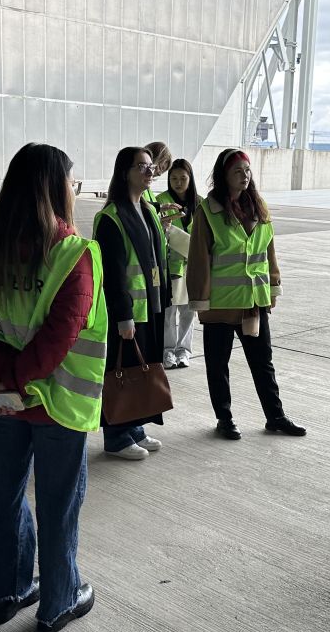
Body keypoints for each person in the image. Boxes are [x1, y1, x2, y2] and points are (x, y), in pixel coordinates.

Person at [0, 143, 104, 632]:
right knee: (59, 501)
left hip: (2, 401)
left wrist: (4, 376)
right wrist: (22, 378)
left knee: (3, 492)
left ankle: (6, 590)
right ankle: (59, 600)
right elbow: (60, 338)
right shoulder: (73, 255)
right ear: (57, 188)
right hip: (57, 403)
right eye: (71, 181)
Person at [188, 148, 305, 441]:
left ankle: (275, 416)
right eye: (238, 171)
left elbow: (269, 253)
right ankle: (224, 419)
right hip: (220, 305)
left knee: (263, 361)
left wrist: (273, 288)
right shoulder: (209, 211)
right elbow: (200, 258)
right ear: (224, 175)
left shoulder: (259, 207)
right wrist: (200, 302)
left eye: (247, 171)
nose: (244, 176)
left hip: (254, 302)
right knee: (218, 365)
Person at [92, 146, 169, 460]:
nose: (149, 172)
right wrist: (123, 315)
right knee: (121, 371)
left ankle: (135, 427)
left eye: (151, 166)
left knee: (143, 366)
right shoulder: (110, 217)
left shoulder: (148, 210)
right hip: (129, 311)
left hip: (150, 306)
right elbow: (112, 273)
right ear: (124, 172)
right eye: (141, 166)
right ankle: (116, 436)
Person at [158, 159, 199, 369]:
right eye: (174, 178)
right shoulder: (161, 201)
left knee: (188, 311)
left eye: (183, 178)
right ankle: (167, 351)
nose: (178, 182)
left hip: (193, 267)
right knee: (169, 312)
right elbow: (158, 233)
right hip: (170, 266)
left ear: (190, 179)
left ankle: (184, 351)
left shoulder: (199, 203)